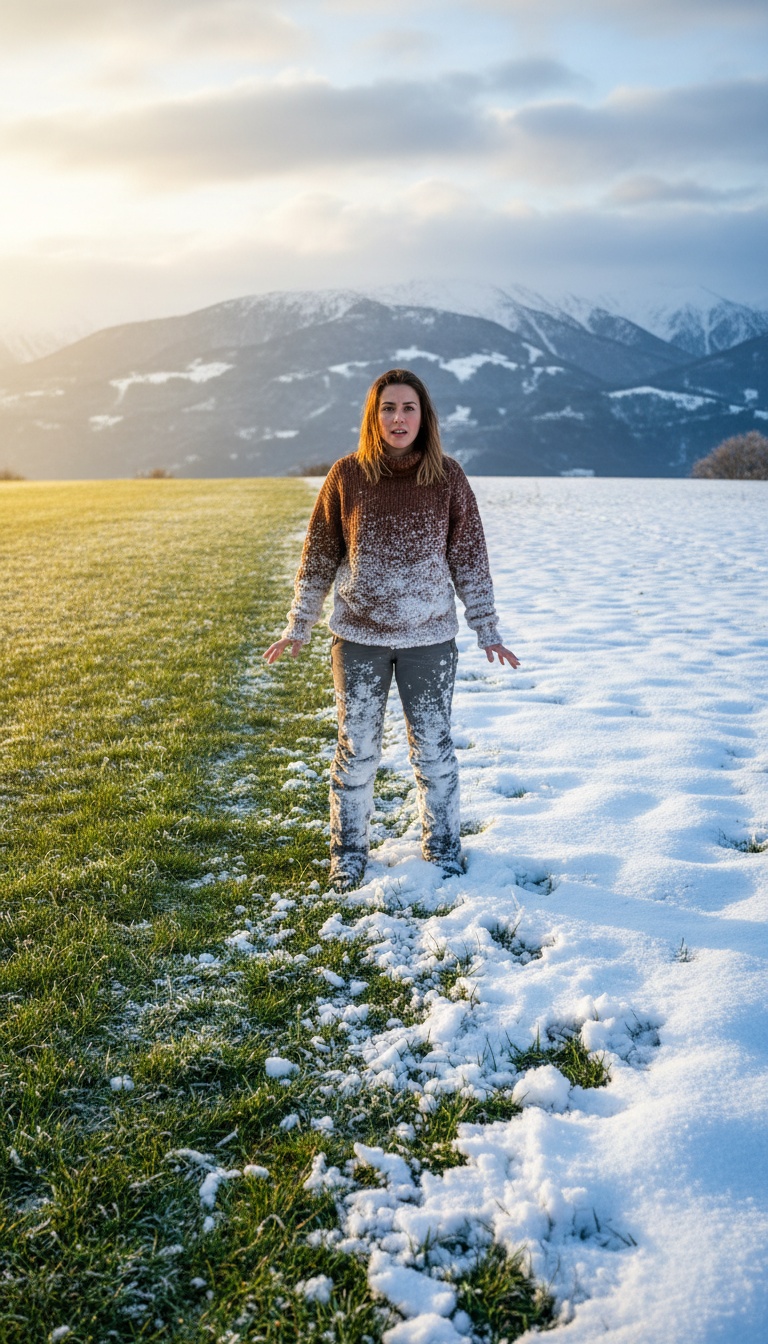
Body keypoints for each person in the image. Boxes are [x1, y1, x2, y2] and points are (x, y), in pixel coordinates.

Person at [263, 368, 519, 890]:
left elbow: (469, 559)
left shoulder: (448, 478)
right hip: (359, 640)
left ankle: (443, 848)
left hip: (430, 641)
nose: (398, 418)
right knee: (356, 752)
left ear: (424, 417)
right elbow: (318, 558)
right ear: (373, 416)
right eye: (388, 408)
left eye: (408, 408)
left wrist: (486, 627)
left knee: (434, 751)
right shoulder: (347, 476)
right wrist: (299, 624)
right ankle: (348, 852)